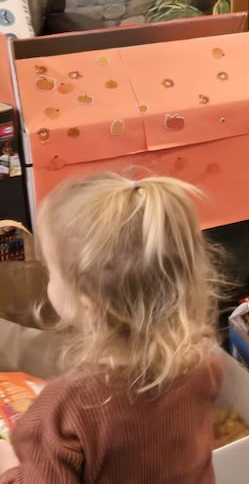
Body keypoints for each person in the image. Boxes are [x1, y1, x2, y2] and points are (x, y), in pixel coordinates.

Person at [0, 172, 226, 483]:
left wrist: (10, 469)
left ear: (87, 302)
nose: (48, 282)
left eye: (50, 272)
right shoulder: (202, 364)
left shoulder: (63, 409)